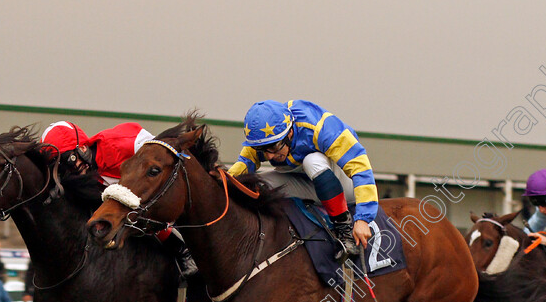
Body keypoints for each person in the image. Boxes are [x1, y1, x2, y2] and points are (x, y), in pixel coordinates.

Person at [41, 121, 197, 280]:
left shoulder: (123, 142)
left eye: (69, 160)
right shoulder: (80, 179)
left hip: (165, 197)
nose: (71, 170)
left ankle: (183, 251)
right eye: (61, 167)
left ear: (81, 148)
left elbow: (166, 159)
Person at [228, 100, 379, 258]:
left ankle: (344, 230)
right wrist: (222, 181)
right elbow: (243, 166)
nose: (269, 156)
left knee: (312, 161)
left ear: (290, 133)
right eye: (262, 150)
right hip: (307, 185)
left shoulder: (322, 129)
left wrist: (363, 218)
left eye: (273, 147)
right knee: (255, 183)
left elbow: (360, 167)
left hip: (342, 185)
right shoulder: (266, 136)